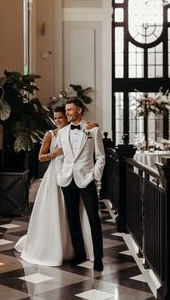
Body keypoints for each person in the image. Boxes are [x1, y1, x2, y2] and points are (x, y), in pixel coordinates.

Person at [14, 105, 97, 266]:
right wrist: (55, 153)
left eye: (61, 117)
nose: (58, 120)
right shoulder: (50, 134)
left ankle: (76, 247)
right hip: (54, 176)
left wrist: (95, 125)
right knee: (54, 210)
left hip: (73, 177)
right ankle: (52, 247)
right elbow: (41, 157)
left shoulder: (78, 131)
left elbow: (89, 132)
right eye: (56, 117)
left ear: (67, 117)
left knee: (73, 213)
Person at [56, 97, 105, 271]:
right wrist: (60, 175)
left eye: (70, 109)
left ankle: (98, 257)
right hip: (67, 180)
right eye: (66, 109)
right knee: (72, 218)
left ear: (79, 110)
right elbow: (60, 157)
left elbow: (100, 157)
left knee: (94, 217)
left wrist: (94, 176)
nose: (67, 112)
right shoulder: (62, 132)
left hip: (86, 179)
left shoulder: (93, 130)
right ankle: (79, 253)